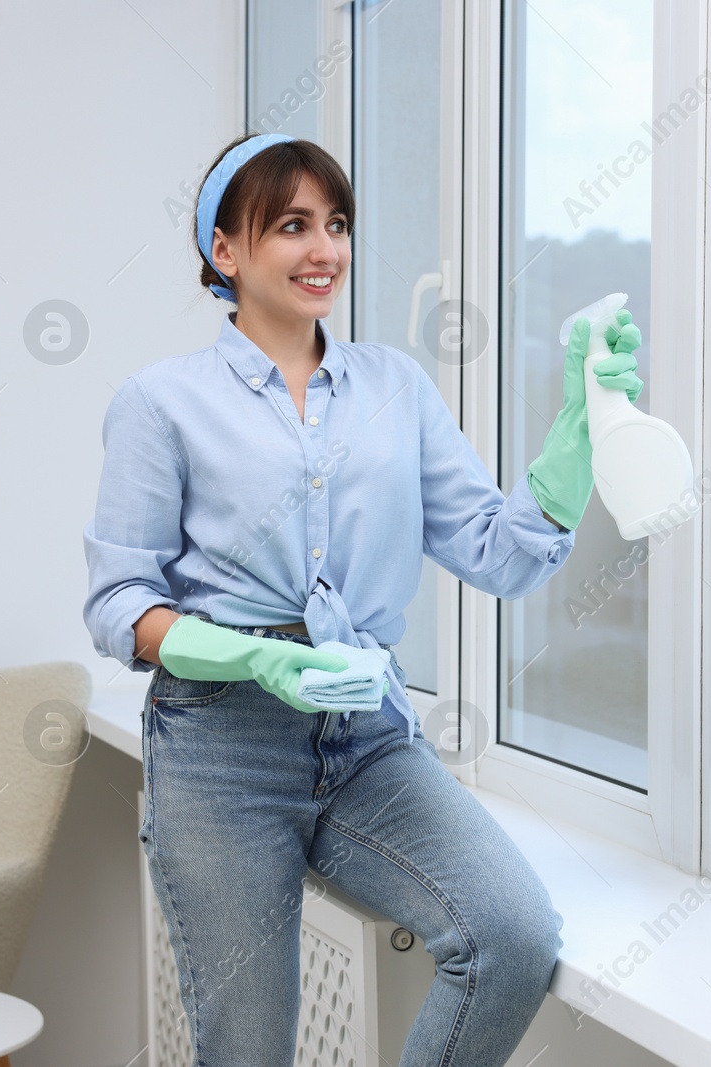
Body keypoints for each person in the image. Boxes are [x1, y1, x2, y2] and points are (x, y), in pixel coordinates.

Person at [82, 132, 645, 1065]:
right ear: (225, 252)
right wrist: (251, 653)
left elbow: (499, 555)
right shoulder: (160, 403)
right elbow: (118, 603)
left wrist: (579, 426)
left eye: (336, 225)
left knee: (509, 936)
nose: (325, 249)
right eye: (293, 225)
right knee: (248, 1049)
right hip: (220, 747)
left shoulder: (396, 388)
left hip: (369, 742)